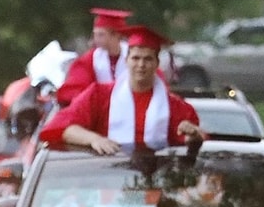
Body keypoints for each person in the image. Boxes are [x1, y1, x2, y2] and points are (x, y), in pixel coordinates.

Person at [39, 24, 203, 154]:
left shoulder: (175, 107)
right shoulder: (99, 95)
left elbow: (194, 140)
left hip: (155, 184)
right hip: (105, 182)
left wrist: (194, 136)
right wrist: (94, 139)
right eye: (136, 58)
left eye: (148, 59)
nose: (141, 65)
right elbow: (61, 128)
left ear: (156, 63)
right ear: (126, 60)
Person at [55, 8, 133, 106]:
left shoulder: (135, 56)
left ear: (116, 35)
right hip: (100, 109)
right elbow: (76, 85)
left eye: (101, 35)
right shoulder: (90, 59)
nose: (96, 39)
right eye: (95, 34)